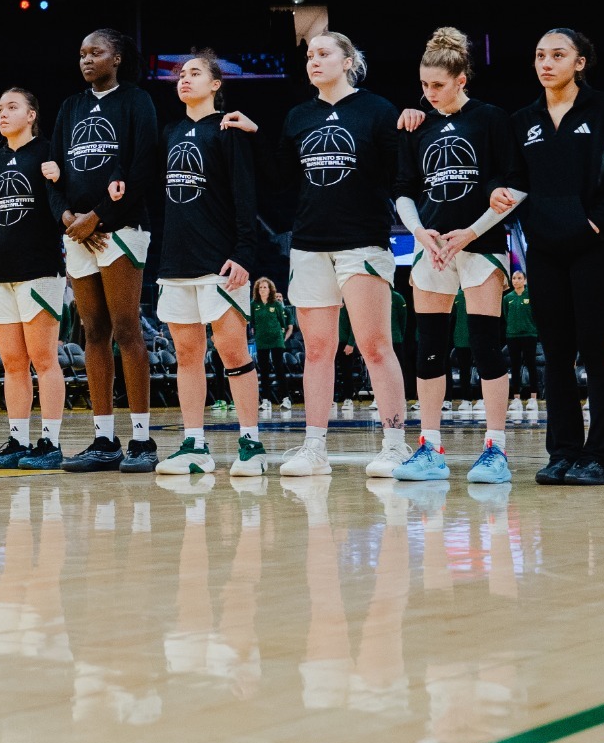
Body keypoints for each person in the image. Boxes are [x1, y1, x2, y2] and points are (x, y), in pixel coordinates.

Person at [230, 31, 409, 478]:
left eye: (324, 54)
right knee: (316, 351)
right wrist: (254, 134)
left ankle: (395, 443)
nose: (314, 61)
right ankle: (314, 449)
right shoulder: (298, 117)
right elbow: (278, 180)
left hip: (363, 241)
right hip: (309, 245)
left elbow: (400, 174)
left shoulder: (378, 111)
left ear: (348, 61)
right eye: (310, 55)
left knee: (374, 345)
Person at [487, 29, 604, 486]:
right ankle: (564, 452)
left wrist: (597, 222)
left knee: (595, 349)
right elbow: (515, 177)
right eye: (539, 55)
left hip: (593, 246)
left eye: (557, 55)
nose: (546, 63)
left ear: (581, 62)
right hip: (545, 250)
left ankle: (603, 458)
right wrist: (500, 193)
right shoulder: (523, 119)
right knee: (555, 354)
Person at [389, 27, 515, 485]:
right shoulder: (415, 125)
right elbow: (403, 191)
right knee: (428, 351)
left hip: (479, 244)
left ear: (462, 78)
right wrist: (420, 232)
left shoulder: (491, 119)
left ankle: (496, 449)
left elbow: (509, 188)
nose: (429, 93)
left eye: (437, 85)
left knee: (485, 347)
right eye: (423, 85)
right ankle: (429, 448)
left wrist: (471, 232)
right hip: (433, 251)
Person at [44, 29, 159, 473]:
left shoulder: (136, 101)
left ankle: (143, 441)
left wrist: (100, 216)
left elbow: (143, 165)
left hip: (121, 229)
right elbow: (52, 171)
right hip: (78, 234)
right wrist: (68, 218)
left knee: (127, 329)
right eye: (81, 53)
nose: (86, 59)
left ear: (117, 58)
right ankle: (105, 439)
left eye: (96, 52)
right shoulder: (71, 107)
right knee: (93, 332)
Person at [150, 52, 264, 476]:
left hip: (220, 262)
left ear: (216, 84)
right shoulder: (170, 132)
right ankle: (194, 445)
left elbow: (245, 197)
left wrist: (245, 253)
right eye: (181, 74)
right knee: (186, 355)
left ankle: (251, 442)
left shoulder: (228, 131)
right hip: (175, 261)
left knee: (233, 351)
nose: (184, 79)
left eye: (195, 73)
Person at [0, 87, 69, 470]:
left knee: (43, 358)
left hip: (39, 270)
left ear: (32, 114)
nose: (3, 114)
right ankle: (18, 439)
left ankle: (50, 443)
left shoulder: (50, 152)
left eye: (12, 107)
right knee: (13, 364)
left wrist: (60, 177)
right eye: (0, 108)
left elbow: (67, 201)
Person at [504, 269, 539, 423]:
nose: (516, 281)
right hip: (512, 336)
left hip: (529, 335)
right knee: (515, 366)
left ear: (524, 280)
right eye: (514, 278)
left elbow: (535, 315)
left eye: (519, 278)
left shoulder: (531, 295)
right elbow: (506, 315)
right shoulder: (507, 298)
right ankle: (516, 398)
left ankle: (533, 398)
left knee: (531, 365)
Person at [251, 279, 292, 411]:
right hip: (262, 340)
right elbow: (252, 322)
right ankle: (266, 400)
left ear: (270, 290)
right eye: (260, 287)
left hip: (276, 340)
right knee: (263, 370)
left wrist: (279, 334)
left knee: (279, 368)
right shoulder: (253, 305)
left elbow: (283, 322)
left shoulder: (277, 304)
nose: (262, 289)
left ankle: (286, 399)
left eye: (265, 287)